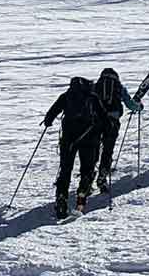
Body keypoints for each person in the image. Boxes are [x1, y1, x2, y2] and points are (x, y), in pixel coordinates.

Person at [38, 75, 103, 216]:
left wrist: (48, 122)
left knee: (65, 169)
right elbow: (103, 117)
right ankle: (81, 197)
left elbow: (51, 115)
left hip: (68, 139)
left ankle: (61, 198)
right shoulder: (92, 96)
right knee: (87, 169)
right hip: (89, 138)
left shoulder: (66, 96)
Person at [92, 67, 140, 192]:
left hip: (95, 122)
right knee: (108, 149)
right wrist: (138, 107)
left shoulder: (95, 86)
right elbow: (130, 104)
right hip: (112, 122)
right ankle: (102, 177)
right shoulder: (119, 87)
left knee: (93, 149)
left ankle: (89, 176)